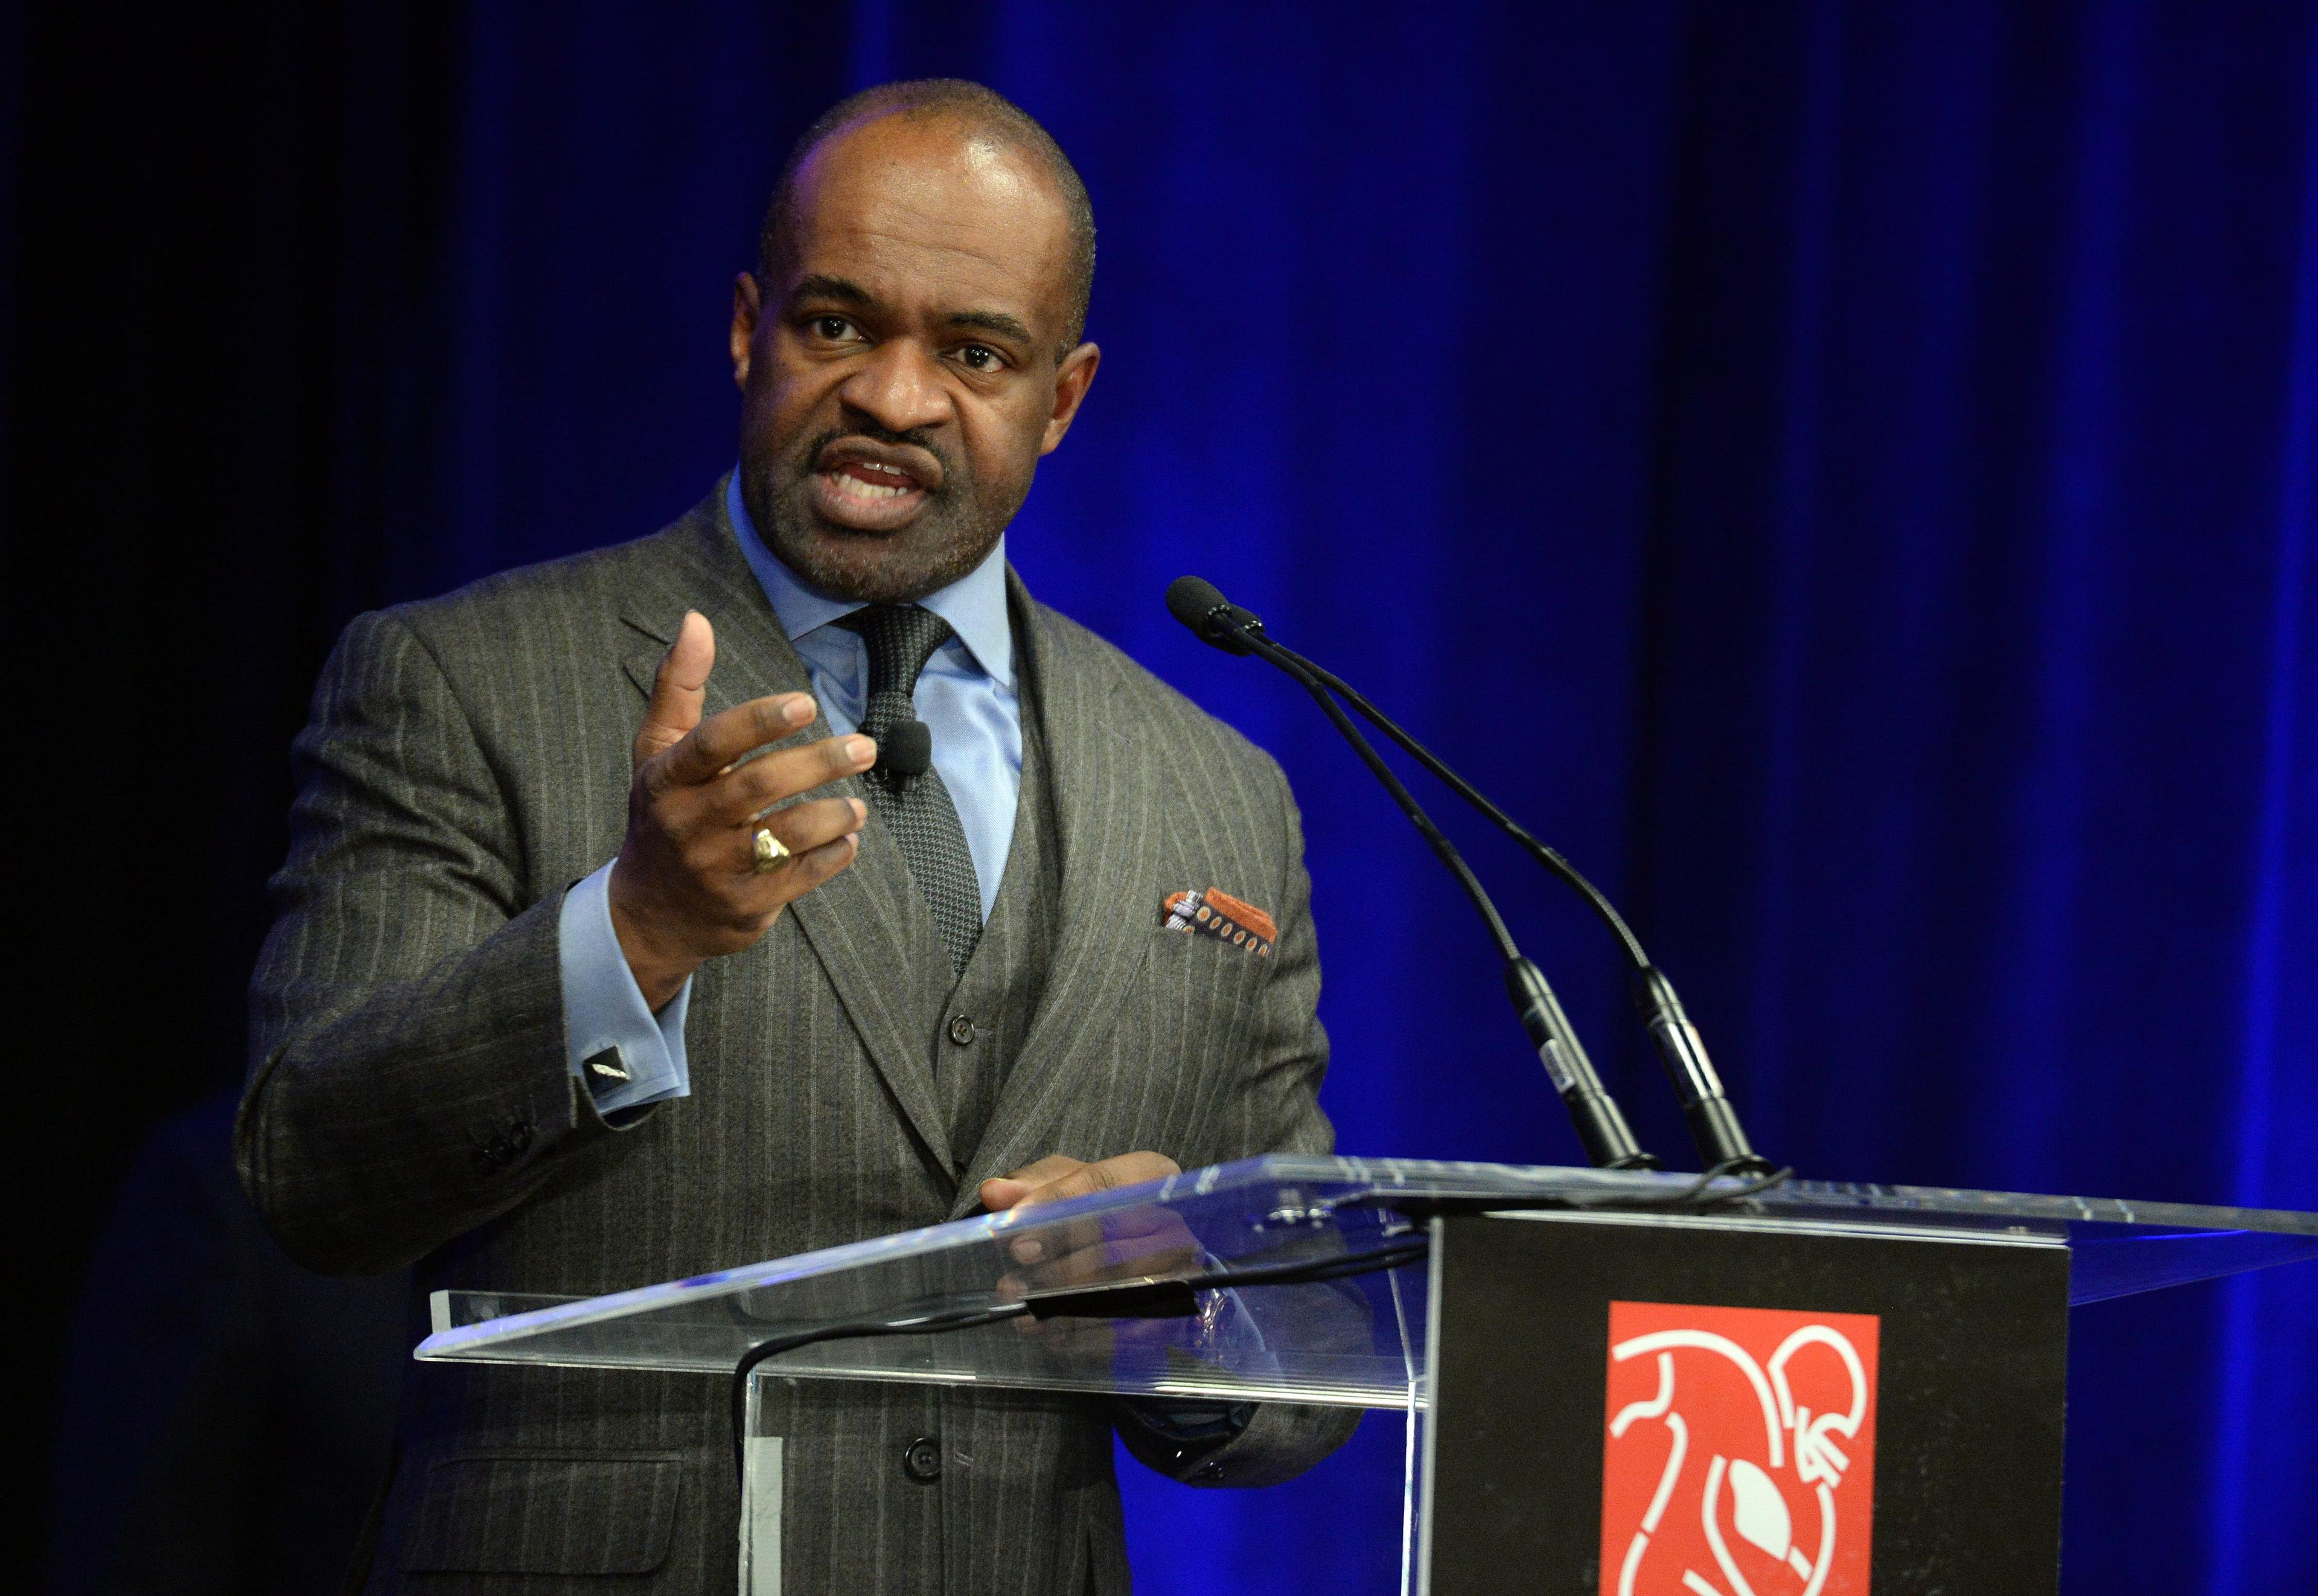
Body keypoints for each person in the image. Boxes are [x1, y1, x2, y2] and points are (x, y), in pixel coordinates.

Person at [237, 78, 1352, 1594]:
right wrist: (631, 932)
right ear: (749, 327)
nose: (895, 396)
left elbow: (1315, 1326)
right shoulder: (466, 678)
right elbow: (311, 1170)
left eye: (974, 352)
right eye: (841, 325)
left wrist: (1186, 1299)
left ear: (1064, 396)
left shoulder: (1216, 787)